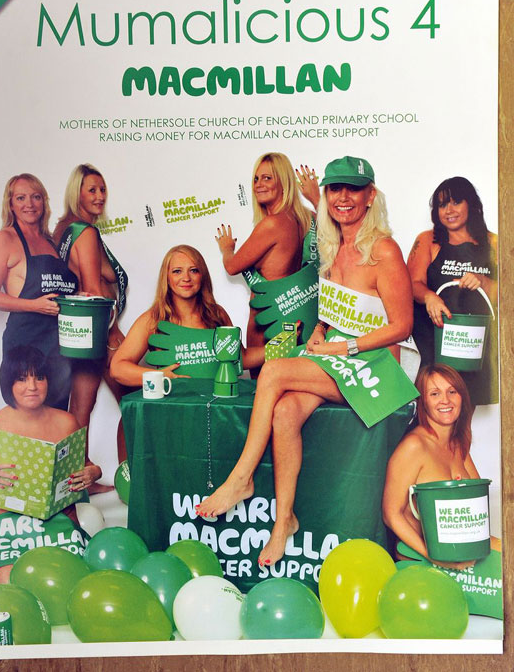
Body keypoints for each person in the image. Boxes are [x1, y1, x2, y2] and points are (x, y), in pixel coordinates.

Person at [196, 156, 416, 566]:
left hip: (373, 369)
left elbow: (402, 325)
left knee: (273, 370)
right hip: (338, 360)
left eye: (353, 189)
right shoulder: (332, 247)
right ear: (326, 195)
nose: (343, 197)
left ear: (370, 196)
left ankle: (241, 478)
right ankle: (284, 521)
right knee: (284, 412)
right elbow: (335, 311)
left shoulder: (383, 249)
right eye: (335, 189)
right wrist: (319, 333)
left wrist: (344, 348)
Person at [0, 346, 98, 583]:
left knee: (72, 576)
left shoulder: (67, 422)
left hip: (57, 522)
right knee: (8, 578)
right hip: (8, 525)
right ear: (8, 383)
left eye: (39, 377)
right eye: (22, 379)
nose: (32, 386)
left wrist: (93, 472)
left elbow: (87, 465)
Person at [382, 363, 500, 570]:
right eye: (435, 393)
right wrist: (433, 556)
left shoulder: (458, 443)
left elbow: (476, 502)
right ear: (423, 402)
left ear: (462, 397)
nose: (445, 400)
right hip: (421, 557)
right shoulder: (414, 446)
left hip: (459, 547)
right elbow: (391, 514)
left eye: (452, 391)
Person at [53, 163, 128, 470]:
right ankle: (132, 473)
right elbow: (94, 292)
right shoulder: (85, 232)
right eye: (92, 190)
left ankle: (76, 476)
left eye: (103, 189)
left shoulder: (65, 229)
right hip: (99, 332)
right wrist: (112, 335)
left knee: (81, 408)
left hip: (78, 334)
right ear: (77, 194)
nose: (99, 196)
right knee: (135, 401)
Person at [216, 153, 316, 375]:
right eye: (256, 179)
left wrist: (227, 249)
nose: (259, 184)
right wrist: (316, 198)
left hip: (266, 322)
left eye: (267, 178)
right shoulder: (306, 218)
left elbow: (232, 266)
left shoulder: (272, 224)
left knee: (263, 388)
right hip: (294, 319)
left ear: (283, 182)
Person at [0, 174, 78, 410]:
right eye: (21, 198)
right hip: (25, 341)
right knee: (28, 416)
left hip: (58, 344)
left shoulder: (51, 242)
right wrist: (34, 305)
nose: (29, 204)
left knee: (57, 414)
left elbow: (58, 289)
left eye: (36, 197)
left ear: (43, 202)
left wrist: (78, 298)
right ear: (10, 204)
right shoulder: (4, 239)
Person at [110, 245, 263, 386]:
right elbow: (117, 369)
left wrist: (276, 348)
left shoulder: (217, 314)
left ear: (202, 275)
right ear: (167, 277)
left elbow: (241, 357)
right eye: (177, 271)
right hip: (175, 403)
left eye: (194, 270)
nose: (186, 278)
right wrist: (159, 376)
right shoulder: (153, 318)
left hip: (217, 401)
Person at [408, 176, 498, 405]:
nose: (449, 210)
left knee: (463, 408)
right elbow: (411, 283)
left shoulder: (494, 243)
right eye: (442, 205)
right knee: (431, 406)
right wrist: (429, 297)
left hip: (474, 346)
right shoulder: (427, 240)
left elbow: (507, 294)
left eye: (456, 202)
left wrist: (483, 281)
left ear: (471, 204)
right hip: (433, 340)